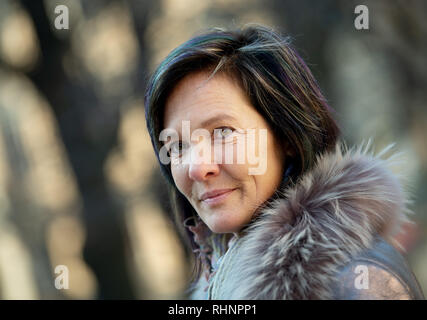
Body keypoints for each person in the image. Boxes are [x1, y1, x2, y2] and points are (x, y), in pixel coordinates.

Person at [144, 25, 424, 299]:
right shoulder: (220, 279)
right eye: (178, 146)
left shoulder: (357, 281)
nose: (197, 167)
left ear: (287, 137)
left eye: (223, 133)